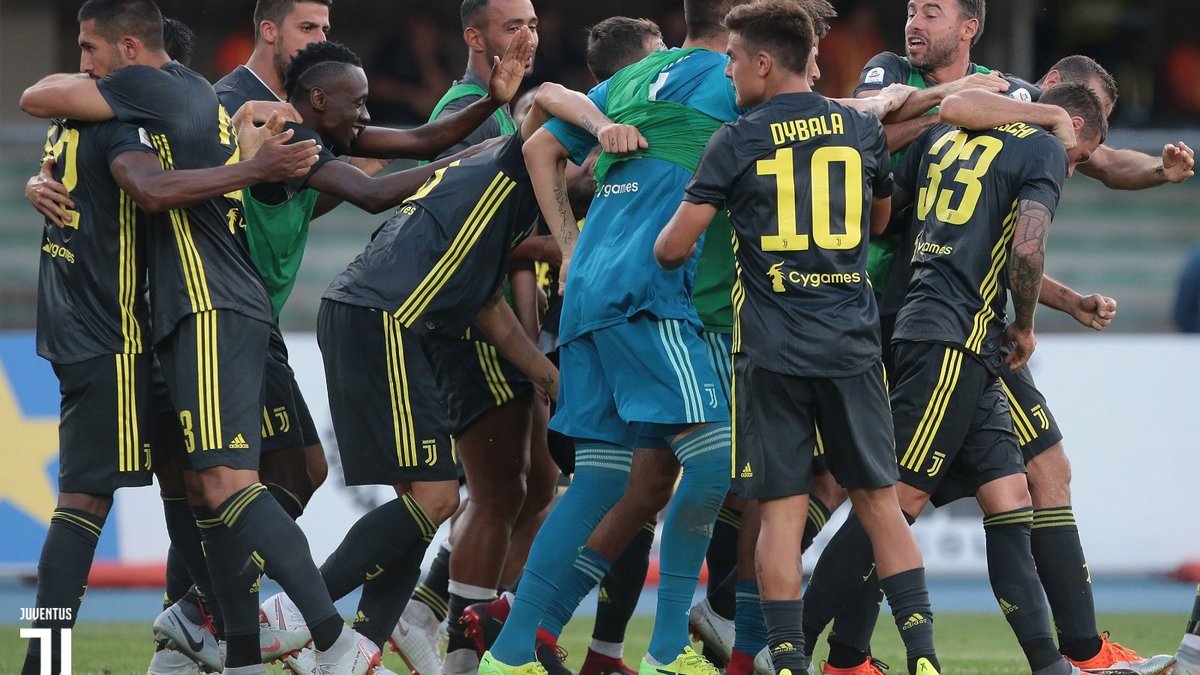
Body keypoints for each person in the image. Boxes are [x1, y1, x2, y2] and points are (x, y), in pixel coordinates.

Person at [19, 1, 381, 672]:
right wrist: (253, 167)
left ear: (132, 56)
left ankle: (213, 643)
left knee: (199, 488)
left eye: (90, 50)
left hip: (149, 330)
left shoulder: (119, 116)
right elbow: (143, 184)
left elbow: (58, 115)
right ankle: (54, 661)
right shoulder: (125, 120)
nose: (85, 66)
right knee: (177, 492)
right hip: (119, 332)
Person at [654, 4, 942, 675]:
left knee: (780, 517)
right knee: (880, 506)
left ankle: (785, 661)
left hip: (771, 353)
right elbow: (879, 220)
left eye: (732, 59)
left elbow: (672, 248)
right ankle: (924, 655)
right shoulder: (858, 128)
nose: (727, 71)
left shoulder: (735, 141)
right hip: (851, 347)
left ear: (763, 62)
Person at [806, 81, 1106, 675]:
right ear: (1069, 125)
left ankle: (1051, 665)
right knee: (896, 502)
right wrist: (1025, 325)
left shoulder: (952, 135)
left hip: (955, 334)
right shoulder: (1042, 148)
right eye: (1081, 155)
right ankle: (789, 643)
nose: (1072, 168)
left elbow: (889, 209)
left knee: (1010, 493)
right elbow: (1027, 251)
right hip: (952, 335)